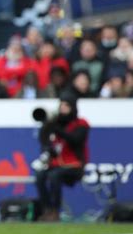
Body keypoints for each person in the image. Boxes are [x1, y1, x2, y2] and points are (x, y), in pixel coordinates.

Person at [33, 93, 90, 221]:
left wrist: (57, 129)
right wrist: (47, 126)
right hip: (57, 164)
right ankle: (46, 209)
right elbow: (44, 140)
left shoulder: (81, 124)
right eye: (61, 105)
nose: (63, 108)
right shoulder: (56, 123)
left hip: (75, 165)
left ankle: (55, 211)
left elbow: (75, 140)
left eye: (66, 105)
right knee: (39, 176)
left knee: (54, 176)